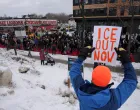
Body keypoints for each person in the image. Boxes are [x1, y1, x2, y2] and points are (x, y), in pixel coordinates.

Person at [69, 46, 137, 110]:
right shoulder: (114, 99)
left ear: (92, 78)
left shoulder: (81, 91)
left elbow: (74, 71)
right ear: (108, 80)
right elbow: (131, 81)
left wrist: (82, 56)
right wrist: (125, 60)